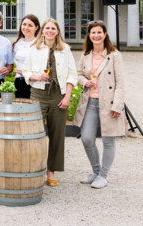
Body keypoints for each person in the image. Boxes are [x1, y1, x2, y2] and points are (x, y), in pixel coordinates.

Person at [23, 18, 77, 187]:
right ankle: (34, 167)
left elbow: (72, 75)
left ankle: (51, 170)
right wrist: (35, 76)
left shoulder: (65, 50)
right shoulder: (34, 49)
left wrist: (67, 97)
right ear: (42, 31)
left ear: (57, 31)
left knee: (57, 134)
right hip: (38, 93)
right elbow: (25, 71)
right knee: (35, 133)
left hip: (58, 95)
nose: (50, 31)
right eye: (47, 28)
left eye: (53, 28)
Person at [74, 21, 126, 189]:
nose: (96, 35)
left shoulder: (114, 55)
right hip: (90, 101)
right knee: (87, 138)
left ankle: (103, 175)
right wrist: (85, 82)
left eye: (99, 32)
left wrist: (117, 106)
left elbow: (121, 83)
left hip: (108, 103)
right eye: (92, 33)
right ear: (89, 36)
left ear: (105, 34)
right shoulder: (86, 54)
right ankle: (96, 171)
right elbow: (79, 74)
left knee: (108, 140)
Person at [12, 14, 40, 99]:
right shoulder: (17, 44)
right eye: (24, 24)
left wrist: (25, 71)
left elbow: (42, 66)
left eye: (30, 25)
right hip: (19, 82)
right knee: (20, 109)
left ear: (36, 27)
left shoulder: (39, 44)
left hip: (33, 82)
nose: (26, 27)